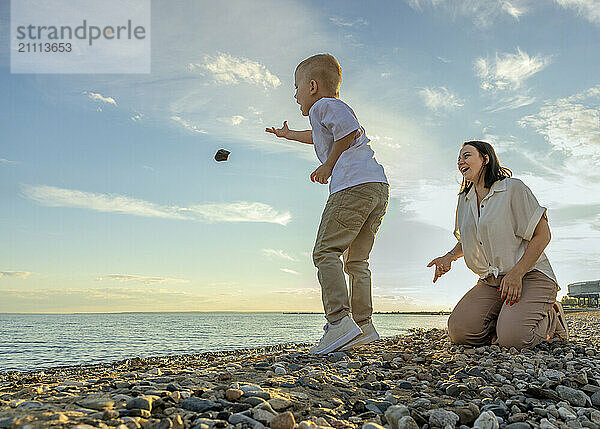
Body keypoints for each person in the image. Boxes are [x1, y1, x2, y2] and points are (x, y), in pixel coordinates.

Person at [266, 54, 389, 354]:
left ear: (312, 86)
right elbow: (322, 135)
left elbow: (349, 131)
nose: (294, 95)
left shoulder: (324, 105)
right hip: (376, 187)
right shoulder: (326, 111)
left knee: (325, 252)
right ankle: (363, 327)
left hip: (351, 187)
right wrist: (288, 135)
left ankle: (339, 323)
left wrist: (329, 165)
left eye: (295, 87)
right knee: (357, 262)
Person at [428, 140, 569, 349]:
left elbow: (543, 234)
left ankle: (551, 318)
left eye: (466, 156)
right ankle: (506, 320)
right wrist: (448, 257)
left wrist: (516, 274)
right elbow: (466, 240)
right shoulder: (464, 199)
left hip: (529, 274)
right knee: (460, 332)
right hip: (492, 281)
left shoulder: (512, 188)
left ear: (485, 159)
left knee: (514, 340)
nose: (460, 162)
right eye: (458, 158)